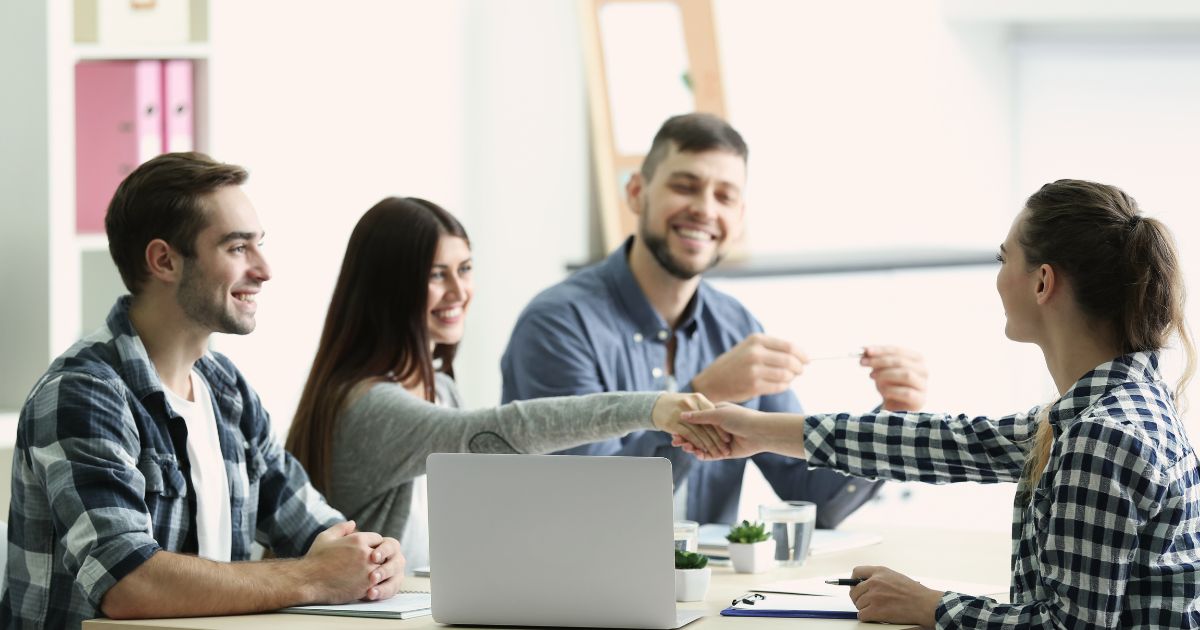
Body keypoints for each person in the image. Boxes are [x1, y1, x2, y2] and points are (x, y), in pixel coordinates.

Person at [676, 179, 1199, 628]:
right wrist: (759, 430)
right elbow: (954, 443)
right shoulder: (1115, 408)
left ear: (1043, 282)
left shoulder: (1102, 436)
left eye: (1004, 258)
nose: (997, 276)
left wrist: (929, 605)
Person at [1, 153, 405, 629]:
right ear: (164, 260)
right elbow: (127, 582)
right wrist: (315, 577)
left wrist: (372, 558)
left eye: (259, 244)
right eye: (237, 248)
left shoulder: (226, 389)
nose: (264, 269)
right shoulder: (84, 392)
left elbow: (319, 532)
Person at [501, 112, 928, 527]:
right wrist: (704, 394)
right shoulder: (558, 325)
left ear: (739, 217)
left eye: (725, 196)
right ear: (636, 192)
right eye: (685, 186)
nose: (704, 209)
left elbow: (814, 499)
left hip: (710, 594)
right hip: (578, 594)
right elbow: (586, 512)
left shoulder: (737, 327)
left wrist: (887, 421)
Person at [284, 196, 724, 574]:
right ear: (388, 289)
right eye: (437, 274)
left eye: (466, 268)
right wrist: (651, 408)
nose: (459, 290)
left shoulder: (440, 386)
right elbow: (503, 431)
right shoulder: (370, 404)